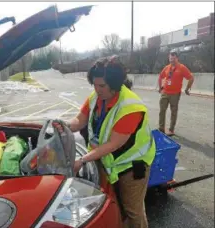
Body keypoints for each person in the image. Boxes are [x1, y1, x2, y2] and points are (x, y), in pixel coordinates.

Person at [54, 56, 156, 228]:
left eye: (101, 86)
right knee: (111, 203)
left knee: (132, 210)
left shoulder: (130, 107)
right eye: (94, 84)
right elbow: (80, 119)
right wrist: (65, 126)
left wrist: (83, 160)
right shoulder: (96, 96)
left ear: (115, 85)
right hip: (106, 160)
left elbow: (113, 144)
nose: (97, 89)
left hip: (131, 166)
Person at [158, 51, 194, 136]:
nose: (172, 60)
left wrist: (187, 89)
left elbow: (191, 78)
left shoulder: (182, 68)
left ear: (177, 58)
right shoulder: (167, 67)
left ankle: (171, 130)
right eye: (170, 58)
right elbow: (160, 76)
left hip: (175, 94)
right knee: (162, 111)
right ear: (168, 58)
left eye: (174, 59)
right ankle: (161, 128)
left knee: (173, 112)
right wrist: (160, 87)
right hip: (165, 92)